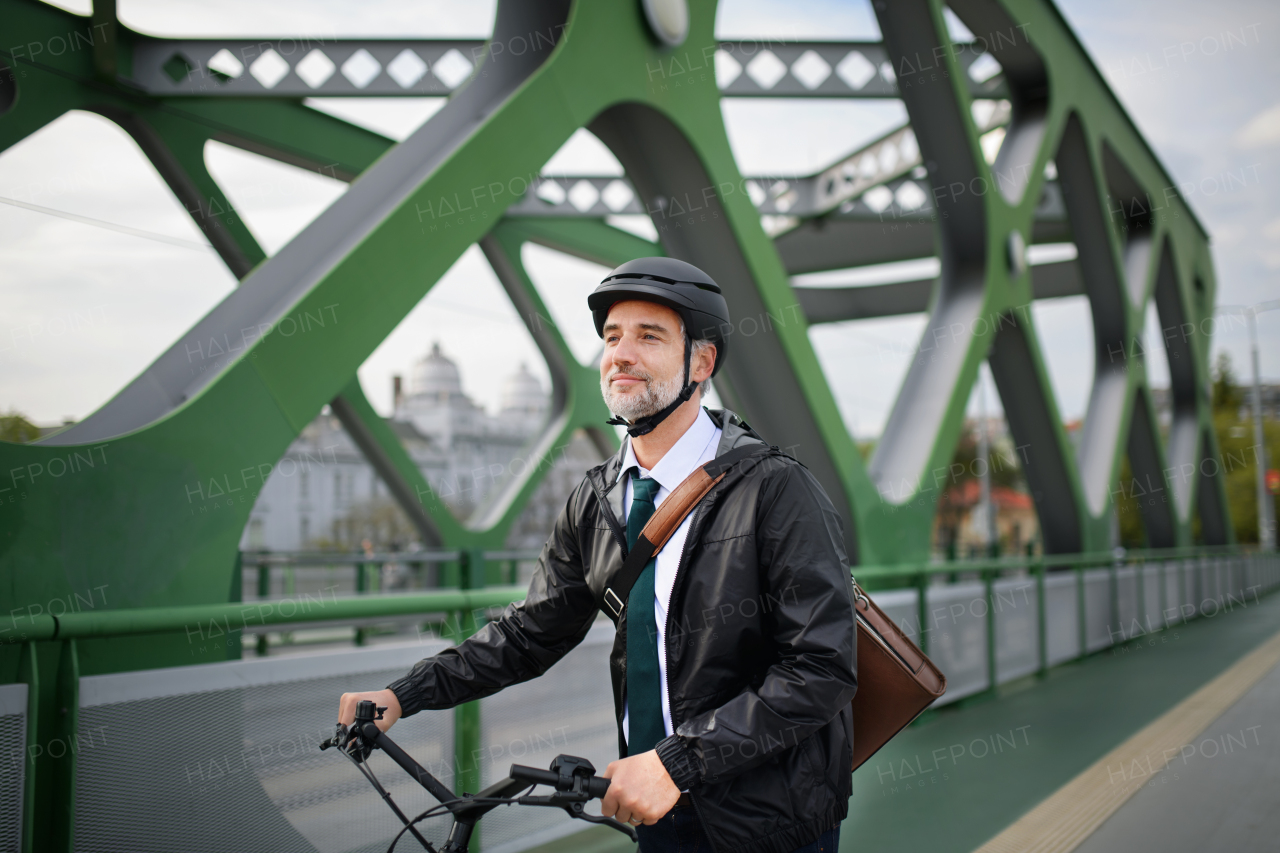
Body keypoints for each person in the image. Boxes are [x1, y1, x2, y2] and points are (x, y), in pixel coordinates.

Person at [336, 257, 857, 853]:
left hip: (768, 819)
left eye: (649, 336)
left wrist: (678, 763)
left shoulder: (774, 488)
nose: (621, 354)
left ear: (702, 362)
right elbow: (529, 632)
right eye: (612, 337)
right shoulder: (598, 498)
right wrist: (407, 693)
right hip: (651, 807)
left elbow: (820, 669)